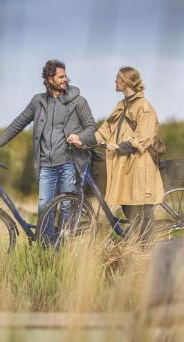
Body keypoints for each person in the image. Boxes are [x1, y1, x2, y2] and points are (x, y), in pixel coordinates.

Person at [0, 59, 96, 220]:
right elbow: (19, 122)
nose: (65, 79)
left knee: (67, 207)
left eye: (65, 76)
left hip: (69, 163)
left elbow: (91, 127)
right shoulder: (37, 102)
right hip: (46, 165)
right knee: (44, 208)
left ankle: (66, 243)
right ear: (49, 79)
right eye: (60, 77)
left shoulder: (78, 101)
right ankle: (47, 244)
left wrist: (79, 136)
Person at [67, 66, 164, 243]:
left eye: (117, 79)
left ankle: (147, 250)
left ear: (125, 81)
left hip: (139, 165)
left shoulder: (144, 107)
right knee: (129, 205)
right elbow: (104, 131)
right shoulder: (121, 105)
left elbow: (144, 137)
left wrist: (119, 147)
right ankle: (139, 245)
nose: (114, 82)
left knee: (142, 209)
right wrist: (82, 141)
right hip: (124, 165)